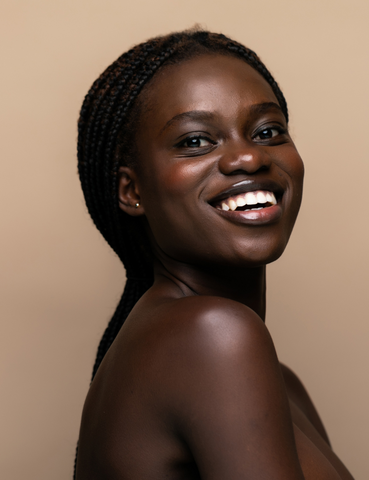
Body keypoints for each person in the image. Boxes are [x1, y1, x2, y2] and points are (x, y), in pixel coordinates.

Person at [75, 29, 354, 480]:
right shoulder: (213, 337)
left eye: (268, 131)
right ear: (132, 190)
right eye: (195, 141)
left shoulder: (283, 385)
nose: (247, 157)